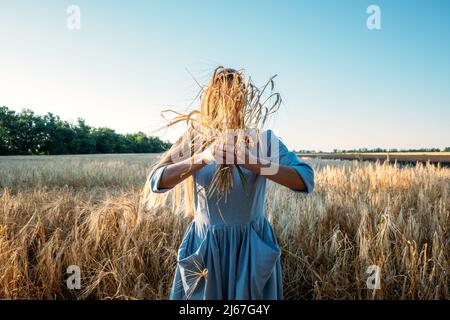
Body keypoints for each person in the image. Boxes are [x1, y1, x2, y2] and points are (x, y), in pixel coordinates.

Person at [145, 67, 314, 299]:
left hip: (250, 248)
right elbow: (157, 180)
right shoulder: (195, 139)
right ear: (210, 99)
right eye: (221, 96)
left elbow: (304, 179)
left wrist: (251, 161)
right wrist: (202, 158)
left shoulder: (264, 140)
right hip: (205, 247)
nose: (229, 103)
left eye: (235, 95)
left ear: (244, 100)